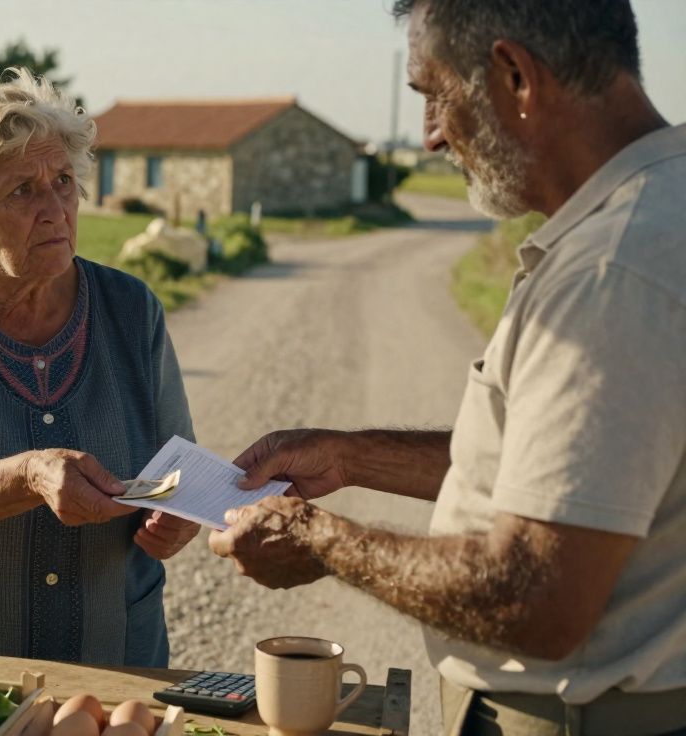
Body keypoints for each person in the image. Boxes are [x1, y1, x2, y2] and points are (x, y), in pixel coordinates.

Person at [207, 1, 686, 733]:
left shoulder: (612, 270)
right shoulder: (658, 211)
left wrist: (320, 539)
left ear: (516, 77)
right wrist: (351, 456)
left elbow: (535, 597)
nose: (429, 135)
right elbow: (579, 478)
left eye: (435, 94)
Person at [0, 68, 200, 667]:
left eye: (65, 181)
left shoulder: (132, 309)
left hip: (114, 657)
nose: (55, 209)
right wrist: (31, 475)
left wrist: (176, 516)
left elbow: (179, 471)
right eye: (22, 190)